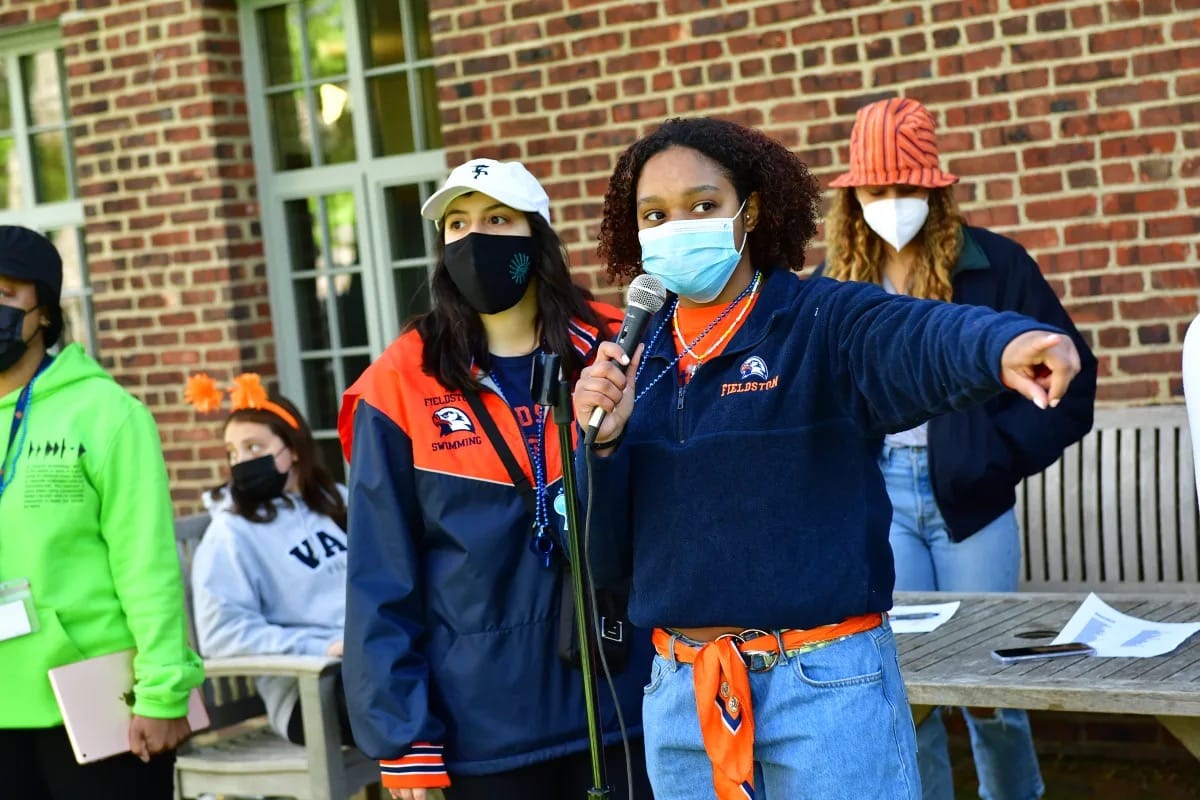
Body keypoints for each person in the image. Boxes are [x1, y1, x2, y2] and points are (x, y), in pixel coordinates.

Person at [571, 117, 1084, 800]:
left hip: (824, 693)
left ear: (750, 210)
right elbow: (602, 560)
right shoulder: (635, 362)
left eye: (702, 205)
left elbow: (912, 333)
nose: (677, 225)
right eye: (655, 214)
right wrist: (600, 445)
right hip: (683, 700)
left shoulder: (818, 318)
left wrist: (1001, 345)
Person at [337, 158, 654, 800]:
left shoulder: (620, 345)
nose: (473, 238)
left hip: (628, 703)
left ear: (535, 234)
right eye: (457, 224)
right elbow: (378, 577)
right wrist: (404, 740)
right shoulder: (396, 386)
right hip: (481, 733)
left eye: (496, 219)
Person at [819, 96, 1097, 800]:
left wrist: (993, 455)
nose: (893, 203)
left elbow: (1071, 382)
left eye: (907, 188)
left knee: (994, 688)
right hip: (883, 498)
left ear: (935, 191)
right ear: (854, 198)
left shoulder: (996, 265)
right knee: (909, 687)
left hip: (973, 504)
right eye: (877, 190)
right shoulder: (838, 286)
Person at [0, 225, 204, 799]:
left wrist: (164, 691)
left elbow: (147, 565)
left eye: (6, 292)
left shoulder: (107, 414)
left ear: (42, 311)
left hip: (94, 704)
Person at [187, 373, 354, 747]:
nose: (242, 461)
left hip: (377, 661)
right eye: (233, 452)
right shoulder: (231, 533)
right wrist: (322, 648)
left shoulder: (335, 503)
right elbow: (221, 635)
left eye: (254, 447)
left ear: (292, 448)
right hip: (314, 692)